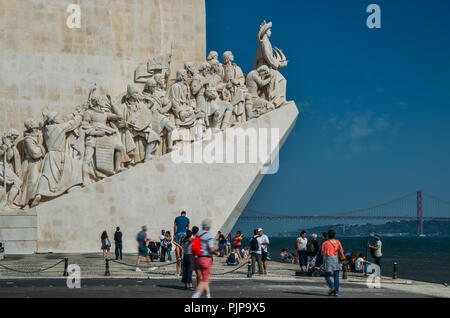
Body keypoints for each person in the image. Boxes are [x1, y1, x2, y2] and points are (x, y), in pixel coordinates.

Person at [192, 219, 219, 299]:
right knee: (204, 280)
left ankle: (208, 296)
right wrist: (217, 253)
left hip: (198, 258)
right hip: (206, 259)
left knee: (204, 278)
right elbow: (211, 249)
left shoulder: (198, 234)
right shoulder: (209, 236)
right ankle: (195, 296)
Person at [321, 229, 344, 297]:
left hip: (329, 259)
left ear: (328, 235)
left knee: (327, 275)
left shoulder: (325, 243)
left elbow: (324, 254)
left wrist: (323, 263)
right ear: (334, 235)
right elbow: (341, 251)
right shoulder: (338, 242)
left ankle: (332, 286)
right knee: (336, 276)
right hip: (336, 259)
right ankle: (336, 292)